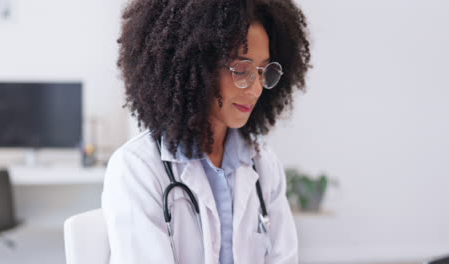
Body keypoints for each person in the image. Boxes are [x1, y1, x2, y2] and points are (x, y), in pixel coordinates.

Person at [101, 0, 311, 263]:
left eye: (262, 71)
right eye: (241, 69)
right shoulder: (137, 168)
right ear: (196, 66)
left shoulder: (263, 163)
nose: (256, 88)